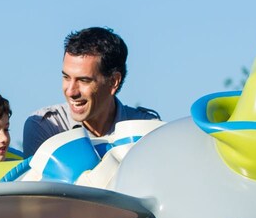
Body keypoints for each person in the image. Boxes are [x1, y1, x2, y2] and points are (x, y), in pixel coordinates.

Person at [21, 27, 159, 157]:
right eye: (66, 77)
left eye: (84, 80)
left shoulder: (148, 130)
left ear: (113, 81)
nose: (71, 91)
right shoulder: (45, 126)